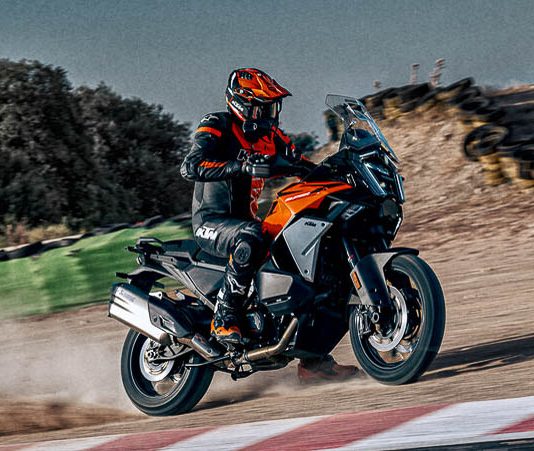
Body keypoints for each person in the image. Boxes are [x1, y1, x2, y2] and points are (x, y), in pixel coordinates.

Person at [180, 68, 357, 382]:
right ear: (243, 104)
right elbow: (190, 166)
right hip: (212, 222)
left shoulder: (272, 138)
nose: (271, 115)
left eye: (273, 107)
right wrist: (241, 166)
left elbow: (301, 165)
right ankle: (224, 318)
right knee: (251, 235)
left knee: (319, 269)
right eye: (264, 107)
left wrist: (340, 173)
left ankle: (313, 360)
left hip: (249, 225)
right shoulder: (217, 125)